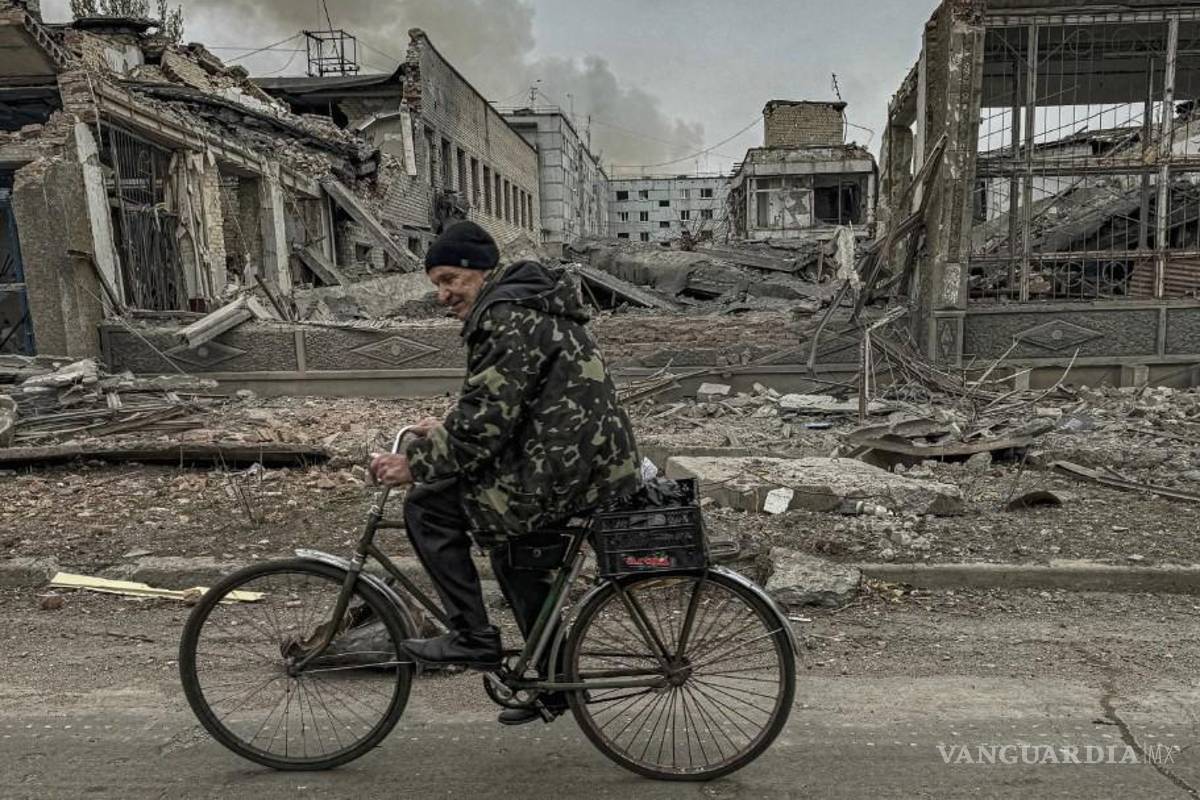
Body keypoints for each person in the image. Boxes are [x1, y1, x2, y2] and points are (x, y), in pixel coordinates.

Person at [368, 220, 640, 725]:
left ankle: (472, 637)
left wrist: (417, 464)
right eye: (437, 285)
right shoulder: (524, 305)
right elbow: (505, 403)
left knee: (429, 507)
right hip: (583, 461)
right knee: (512, 549)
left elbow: (487, 421)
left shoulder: (505, 316)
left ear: (479, 271)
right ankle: (554, 683)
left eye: (450, 280)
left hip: (563, 468)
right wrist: (445, 429)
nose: (444, 295)